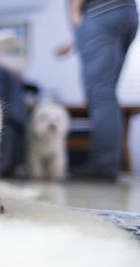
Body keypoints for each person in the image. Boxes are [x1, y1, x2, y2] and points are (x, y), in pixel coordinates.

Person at [57, 0, 138, 179]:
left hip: (100, 11)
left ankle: (103, 167)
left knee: (101, 94)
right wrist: (77, 39)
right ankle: (108, 164)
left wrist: (75, 11)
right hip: (127, 12)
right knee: (107, 92)